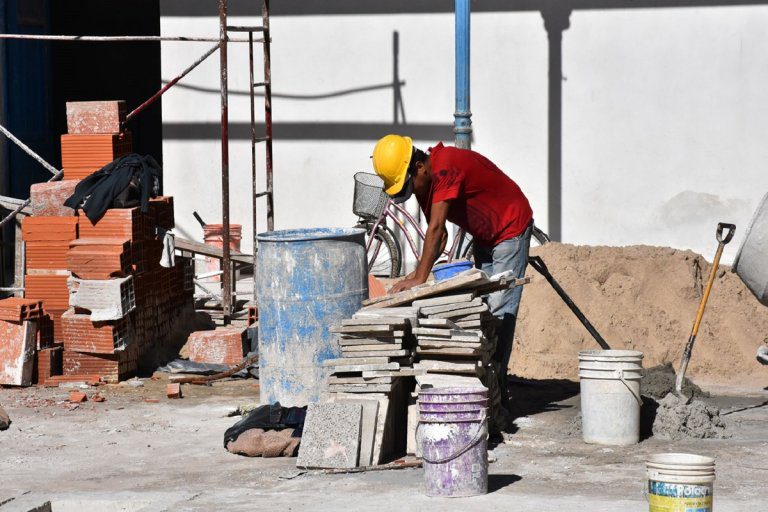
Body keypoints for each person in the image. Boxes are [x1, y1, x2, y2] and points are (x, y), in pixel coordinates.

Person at [371, 134, 534, 411]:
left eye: (408, 188)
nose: (411, 195)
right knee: (480, 310)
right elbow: (441, 235)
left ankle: (497, 389)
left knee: (500, 311)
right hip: (484, 234)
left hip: (509, 227)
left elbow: (435, 230)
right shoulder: (427, 183)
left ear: (419, 167)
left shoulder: (446, 166)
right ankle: (483, 379)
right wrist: (420, 279)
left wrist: (419, 278)